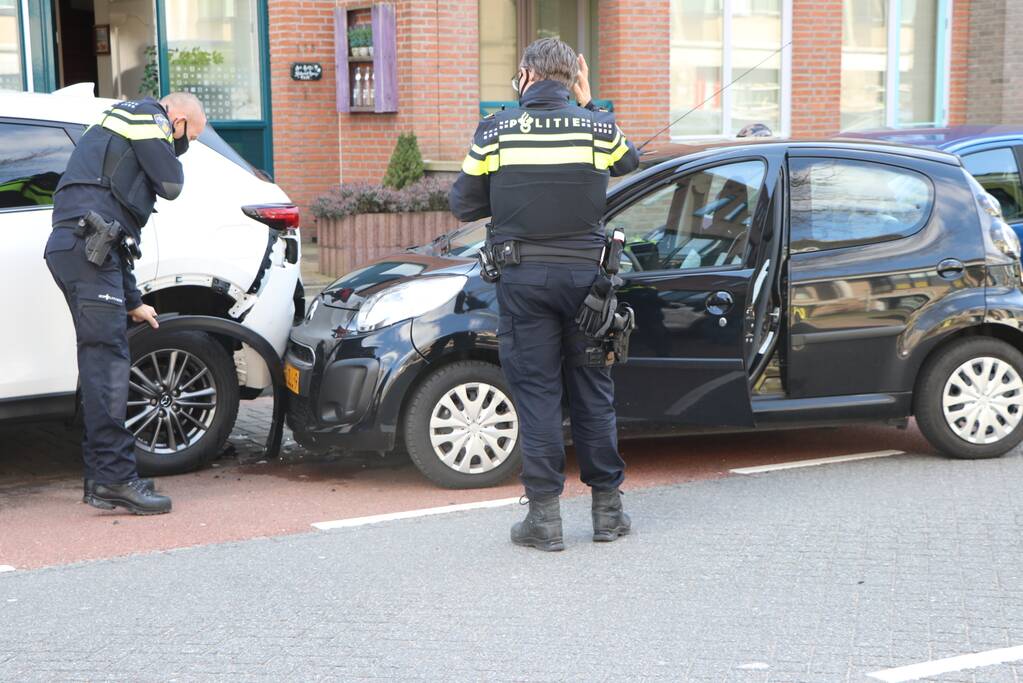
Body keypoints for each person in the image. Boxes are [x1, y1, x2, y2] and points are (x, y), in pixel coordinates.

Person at [449, 38, 640, 551]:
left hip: (523, 279)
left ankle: (546, 521)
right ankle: (607, 513)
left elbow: (463, 204)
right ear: (572, 76)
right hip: (588, 283)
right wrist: (589, 101)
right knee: (592, 392)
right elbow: (629, 163)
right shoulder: (598, 126)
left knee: (537, 395)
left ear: (525, 74)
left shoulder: (495, 129)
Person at [44, 92, 207, 515]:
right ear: (179, 117)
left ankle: (103, 477)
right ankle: (115, 480)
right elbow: (171, 183)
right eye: (188, 135)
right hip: (85, 249)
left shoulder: (118, 130)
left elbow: (114, 234)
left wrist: (132, 300)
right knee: (107, 365)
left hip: (88, 248)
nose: (182, 145)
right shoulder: (146, 114)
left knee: (103, 361)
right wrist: (173, 142)